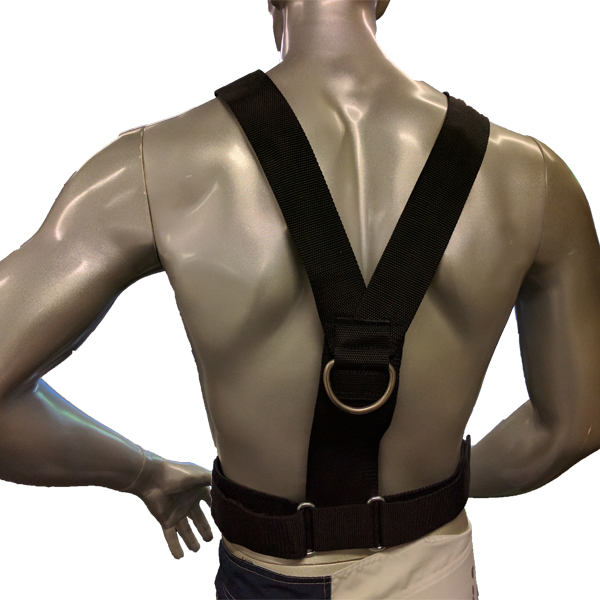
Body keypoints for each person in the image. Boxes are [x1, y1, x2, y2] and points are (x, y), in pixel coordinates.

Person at [0, 1, 598, 598]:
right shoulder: (533, 178)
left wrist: (140, 471)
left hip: (263, 572)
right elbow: (574, 427)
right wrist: (446, 485)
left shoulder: (149, 167)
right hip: (431, 573)